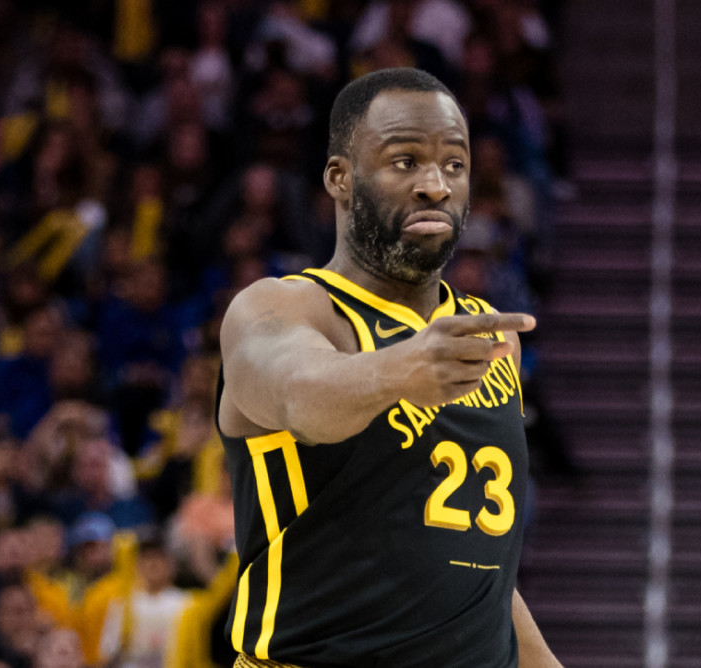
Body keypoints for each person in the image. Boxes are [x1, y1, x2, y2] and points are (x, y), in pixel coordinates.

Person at [217, 68, 560, 667]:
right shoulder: (284, 307)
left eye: (454, 165)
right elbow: (299, 395)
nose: (435, 185)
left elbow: (478, 571)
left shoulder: (485, 333)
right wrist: (400, 370)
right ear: (339, 177)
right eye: (405, 162)